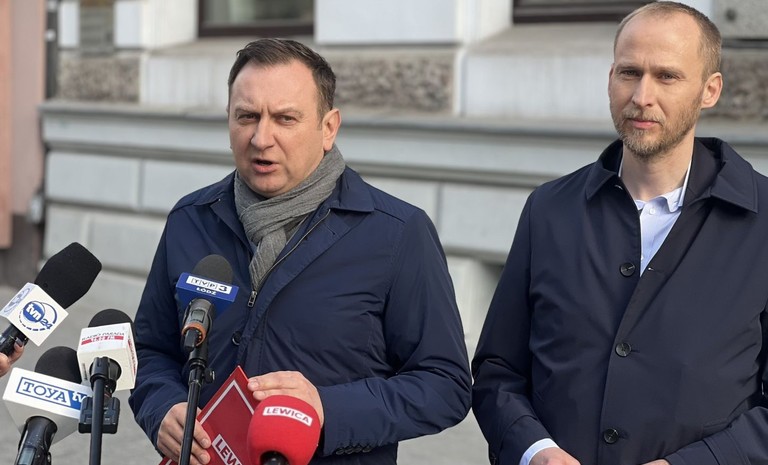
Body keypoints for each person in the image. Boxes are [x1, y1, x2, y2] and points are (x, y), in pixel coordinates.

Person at [128, 38, 471, 465]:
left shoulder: (397, 233)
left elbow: (445, 385)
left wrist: (327, 409)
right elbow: (150, 350)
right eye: (247, 116)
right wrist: (162, 408)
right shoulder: (191, 219)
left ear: (329, 128)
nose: (261, 138)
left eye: (285, 118)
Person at [472, 2, 768, 465]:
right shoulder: (548, 210)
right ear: (610, 77)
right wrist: (536, 451)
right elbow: (498, 372)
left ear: (709, 90)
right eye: (629, 72)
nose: (642, 96)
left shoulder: (762, 221)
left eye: (667, 76)